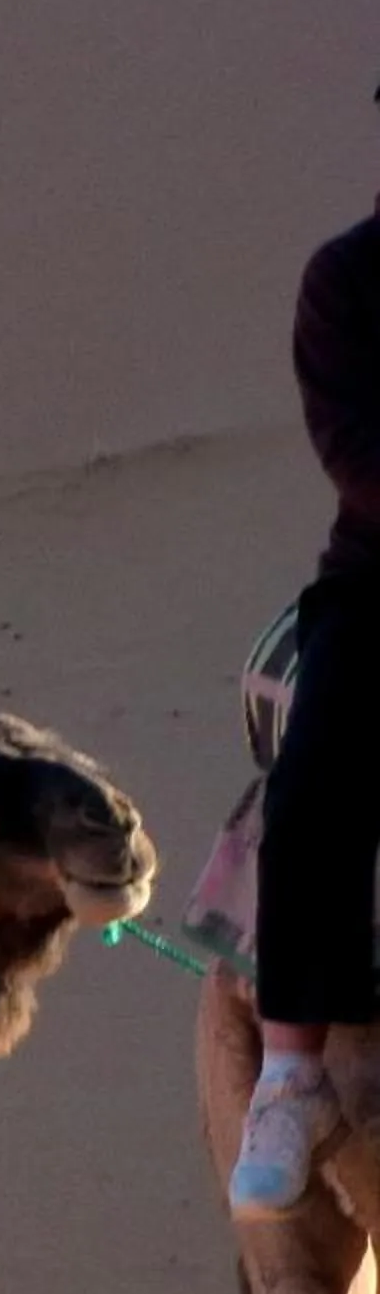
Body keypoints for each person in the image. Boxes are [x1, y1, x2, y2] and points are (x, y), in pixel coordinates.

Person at [233, 83, 380, 1218]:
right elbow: (357, 456)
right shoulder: (344, 282)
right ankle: (289, 1072)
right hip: (378, 586)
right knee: (318, 785)